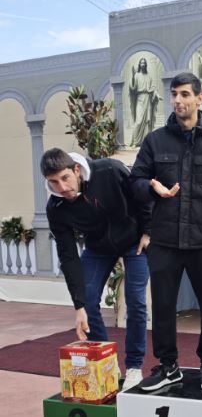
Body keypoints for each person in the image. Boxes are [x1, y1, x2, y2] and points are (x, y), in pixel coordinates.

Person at [129, 72, 202, 392]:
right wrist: (151, 187)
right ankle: (168, 366)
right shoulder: (155, 140)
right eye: (174, 95)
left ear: (199, 98)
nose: (177, 100)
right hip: (165, 239)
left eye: (184, 94)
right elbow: (135, 181)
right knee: (163, 305)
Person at [40, 148, 151, 390]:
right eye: (53, 182)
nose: (61, 187)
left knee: (135, 300)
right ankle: (108, 362)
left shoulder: (110, 170)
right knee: (88, 302)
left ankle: (133, 366)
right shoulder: (56, 208)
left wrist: (148, 231)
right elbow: (68, 256)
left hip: (134, 241)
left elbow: (141, 198)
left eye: (65, 178)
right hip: (99, 247)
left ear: (76, 170)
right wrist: (78, 305)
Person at [129, 57, 161, 147]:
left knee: (147, 122)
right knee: (138, 121)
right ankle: (135, 142)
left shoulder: (149, 76)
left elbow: (153, 88)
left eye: (144, 63)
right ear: (139, 65)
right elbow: (133, 88)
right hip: (140, 98)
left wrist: (157, 95)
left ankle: (144, 142)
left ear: (145, 65)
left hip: (147, 99)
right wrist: (132, 76)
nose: (143, 64)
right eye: (141, 63)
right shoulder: (136, 75)